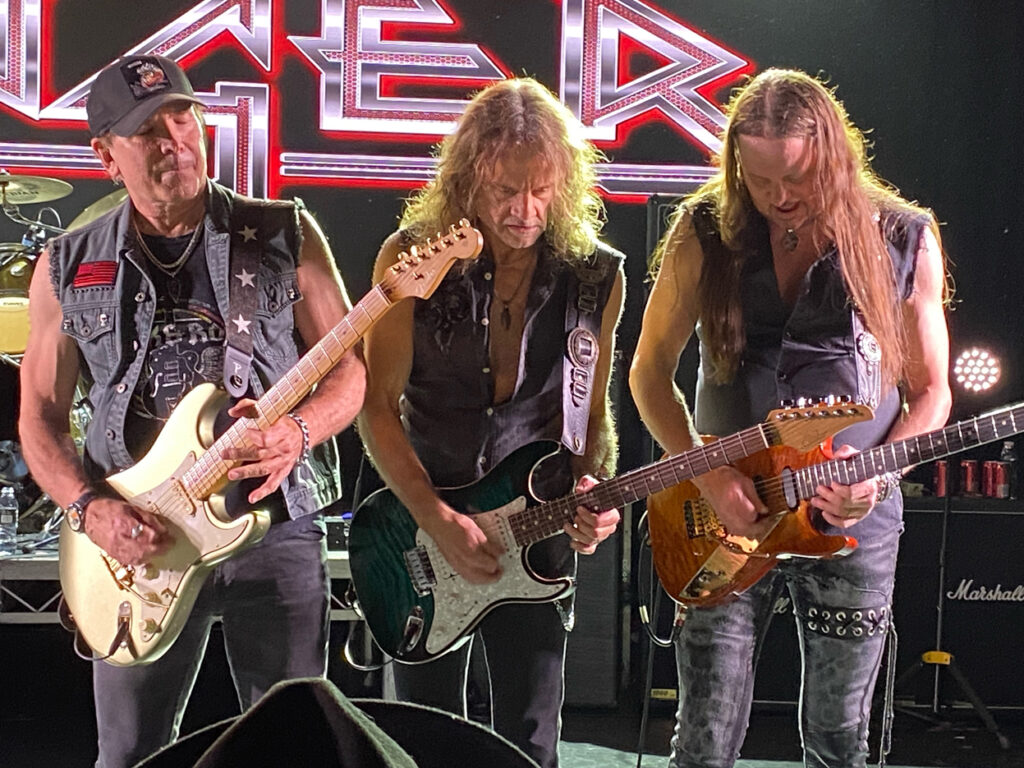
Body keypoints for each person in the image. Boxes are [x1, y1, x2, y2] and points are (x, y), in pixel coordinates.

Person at [17, 55, 366, 768]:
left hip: (273, 524)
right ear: (106, 155)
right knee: (131, 753)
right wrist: (90, 510)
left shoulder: (283, 233)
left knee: (295, 747)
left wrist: (299, 431)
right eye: (149, 130)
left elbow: (350, 371)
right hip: (137, 538)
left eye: (183, 118)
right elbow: (39, 418)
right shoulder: (66, 264)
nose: (174, 140)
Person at [629, 68, 952, 768]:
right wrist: (709, 474)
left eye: (797, 178)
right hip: (722, 515)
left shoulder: (902, 236)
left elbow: (932, 393)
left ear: (832, 156)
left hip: (850, 519)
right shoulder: (703, 230)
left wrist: (879, 475)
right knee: (703, 737)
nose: (779, 197)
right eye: (759, 180)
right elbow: (648, 373)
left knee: (838, 739)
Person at [356, 77, 625, 768]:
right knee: (422, 742)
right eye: (506, 190)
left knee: (531, 746)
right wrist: (436, 518)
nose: (524, 210)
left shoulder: (595, 277)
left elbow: (591, 414)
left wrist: (593, 493)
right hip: (420, 530)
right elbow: (376, 405)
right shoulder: (412, 258)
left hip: (535, 533)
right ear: (468, 178)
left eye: (541, 190)